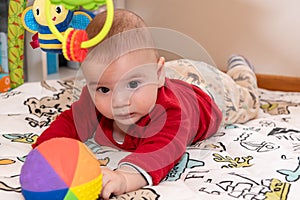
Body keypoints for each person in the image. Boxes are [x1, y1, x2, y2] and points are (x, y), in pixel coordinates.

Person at [32, 9, 259, 199]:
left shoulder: (173, 115)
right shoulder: (95, 96)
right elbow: (70, 121)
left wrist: (124, 176)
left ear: (158, 74)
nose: (119, 101)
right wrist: (45, 152)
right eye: (104, 89)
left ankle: (241, 69)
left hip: (209, 92)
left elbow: (162, 150)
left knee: (247, 99)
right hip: (168, 74)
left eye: (132, 84)